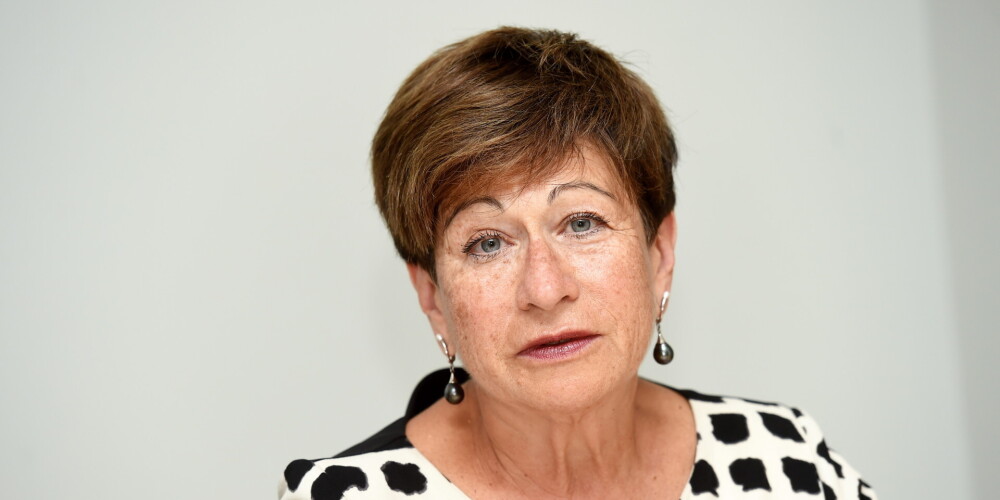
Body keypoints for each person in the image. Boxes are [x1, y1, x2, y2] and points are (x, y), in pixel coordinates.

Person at [279, 27, 877, 500]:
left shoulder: (787, 460)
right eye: (487, 243)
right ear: (432, 296)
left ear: (659, 253)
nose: (544, 288)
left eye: (582, 223)